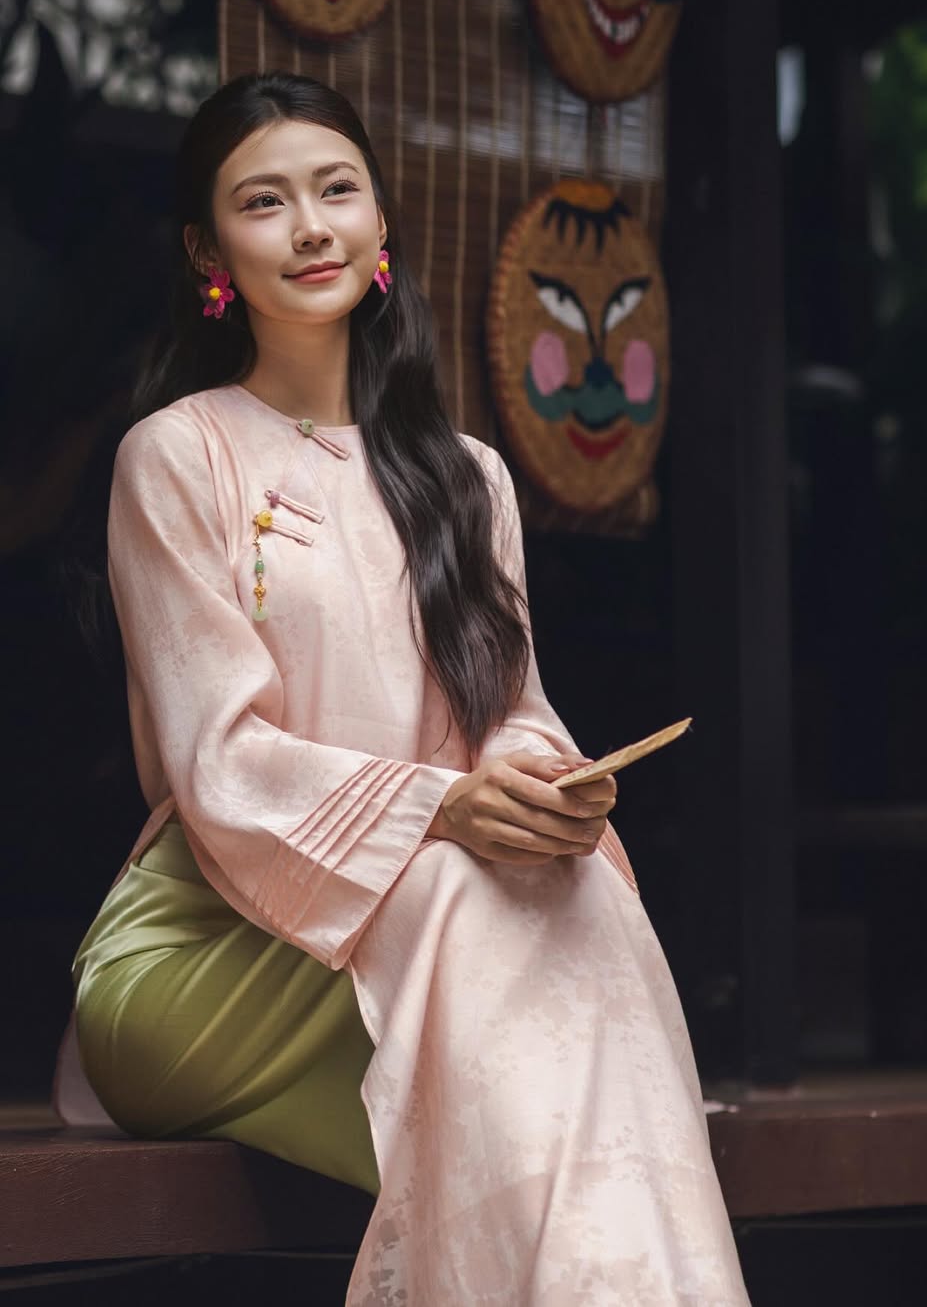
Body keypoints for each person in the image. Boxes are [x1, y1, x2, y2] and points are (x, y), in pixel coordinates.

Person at [62, 72, 750, 1305]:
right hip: (204, 958)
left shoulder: (467, 477)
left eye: (336, 190)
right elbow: (219, 761)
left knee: (573, 924)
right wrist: (443, 809)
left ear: (381, 220)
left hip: (429, 931)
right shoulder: (176, 455)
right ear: (208, 251)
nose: (309, 227)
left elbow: (511, 714)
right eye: (263, 203)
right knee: (477, 927)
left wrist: (543, 791)